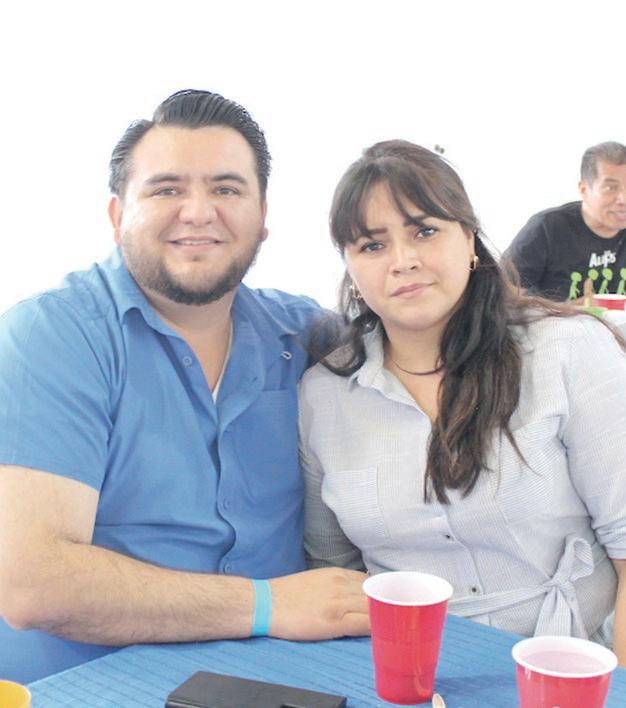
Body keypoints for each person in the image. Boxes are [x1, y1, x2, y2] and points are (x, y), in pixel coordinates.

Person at [0, 89, 368, 684]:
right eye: (166, 189)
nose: (198, 212)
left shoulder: (304, 333)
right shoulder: (53, 336)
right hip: (90, 683)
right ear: (118, 215)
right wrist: (269, 604)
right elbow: (34, 584)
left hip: (279, 676)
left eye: (227, 189)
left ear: (262, 217)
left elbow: (429, 340)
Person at [300, 140, 626, 666]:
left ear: (469, 239)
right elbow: (333, 573)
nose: (403, 261)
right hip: (407, 675)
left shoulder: (566, 351)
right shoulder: (323, 395)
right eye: (372, 245)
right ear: (350, 269)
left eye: (424, 231)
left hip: (575, 664)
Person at [504, 141, 626, 301]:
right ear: (584, 189)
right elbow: (504, 296)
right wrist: (564, 310)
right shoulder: (546, 228)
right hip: (552, 317)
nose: (623, 199)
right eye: (610, 188)